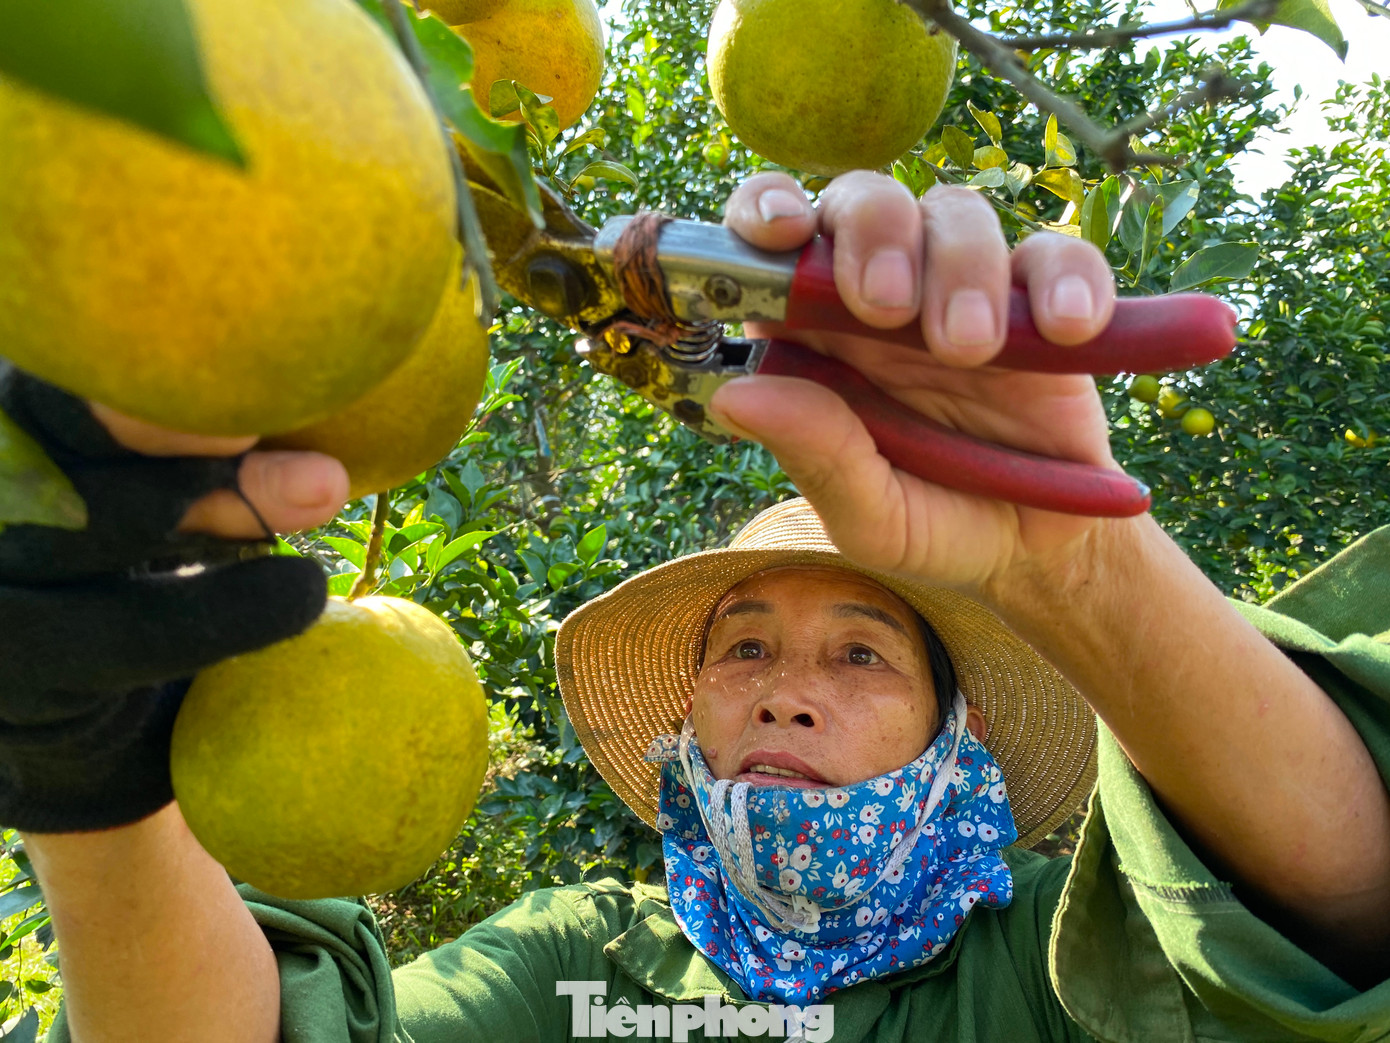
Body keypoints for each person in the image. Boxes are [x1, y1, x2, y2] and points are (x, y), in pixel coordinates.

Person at [6, 171, 1389, 1043]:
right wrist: (92, 782)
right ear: (687, 715)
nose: (787, 688)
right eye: (745, 648)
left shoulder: (1045, 961)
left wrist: (1065, 566)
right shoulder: (582, 967)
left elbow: (1334, 919)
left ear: (950, 738)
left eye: (860, 654)